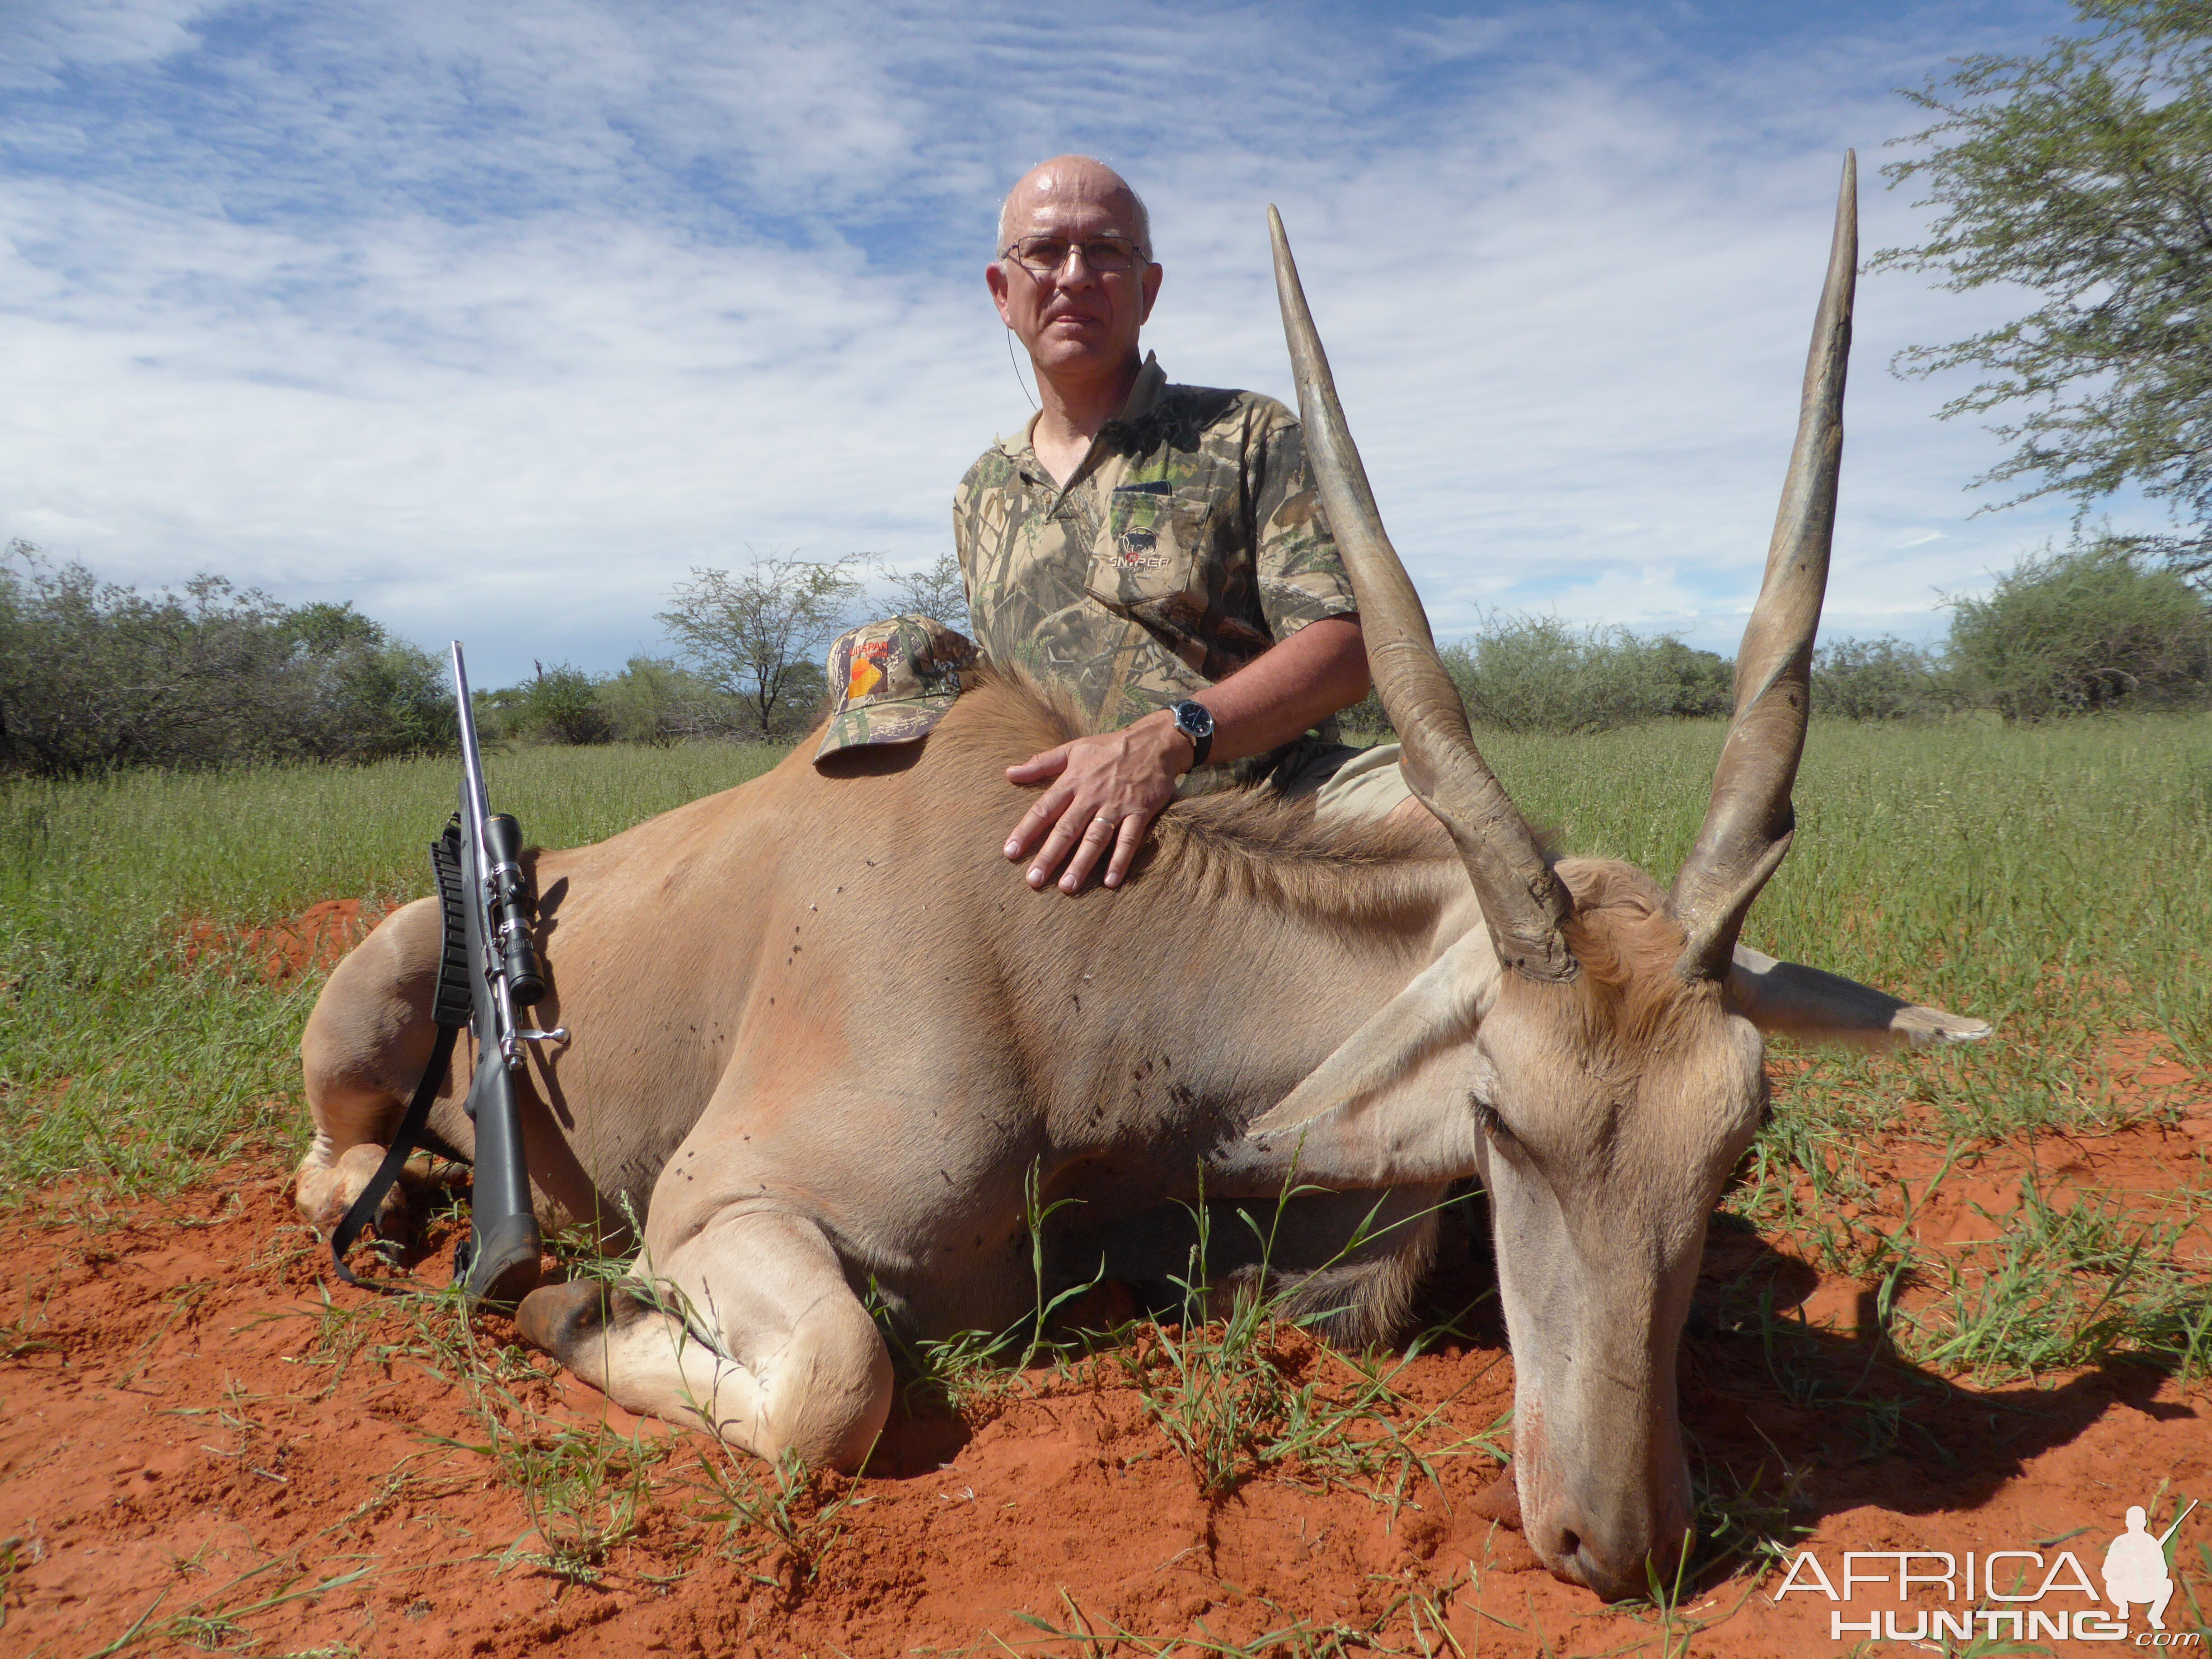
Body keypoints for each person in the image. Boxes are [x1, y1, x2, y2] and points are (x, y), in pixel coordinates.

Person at [953, 154, 1415, 896]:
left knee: (1449, 821)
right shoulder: (982, 492)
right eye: (1044, 251)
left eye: (1105, 251)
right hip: (1065, 831)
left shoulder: (1249, 433)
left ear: (1149, 289)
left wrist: (1171, 740)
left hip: (1270, 806)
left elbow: (1347, 646)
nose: (1073, 275)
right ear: (1002, 293)